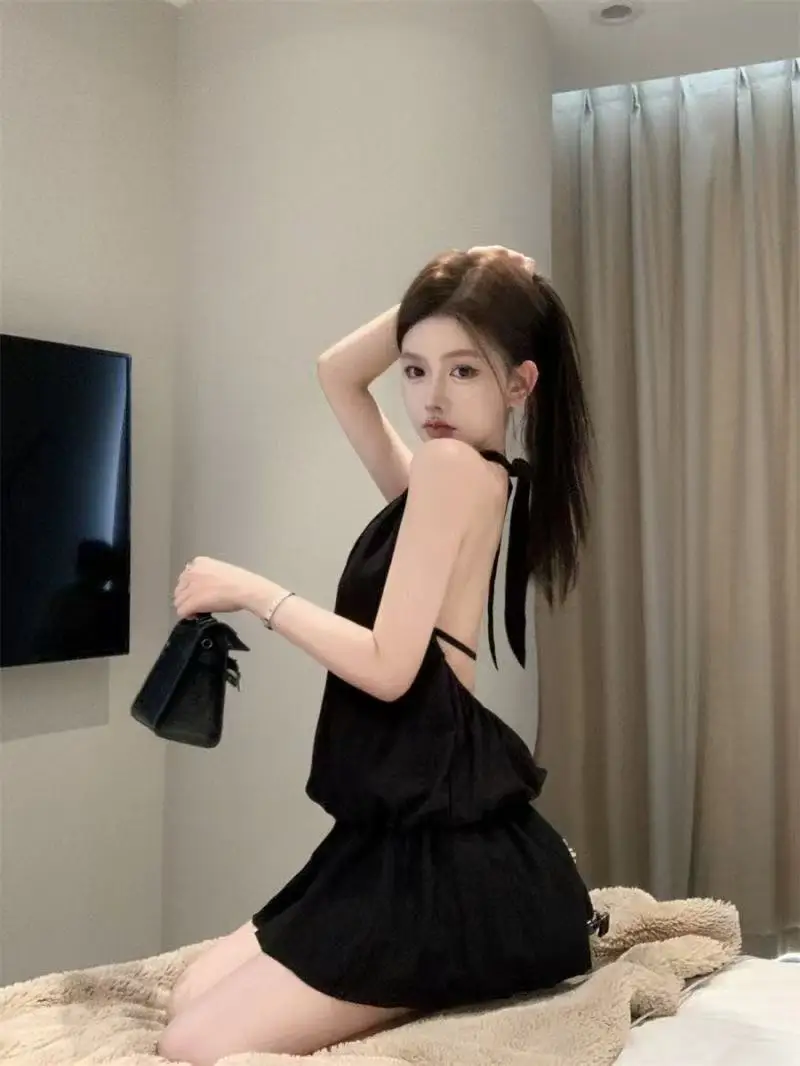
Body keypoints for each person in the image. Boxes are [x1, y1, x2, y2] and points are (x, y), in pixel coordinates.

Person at [159, 245, 596, 1066]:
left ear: (519, 384)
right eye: (415, 370)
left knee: (192, 1043)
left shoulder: (450, 469)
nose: (432, 398)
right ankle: (433, 968)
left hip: (437, 852)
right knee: (187, 1000)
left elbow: (391, 669)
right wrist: (453, 281)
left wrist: (255, 592)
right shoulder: (458, 477)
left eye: (464, 371)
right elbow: (338, 372)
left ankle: (438, 966)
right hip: (402, 825)